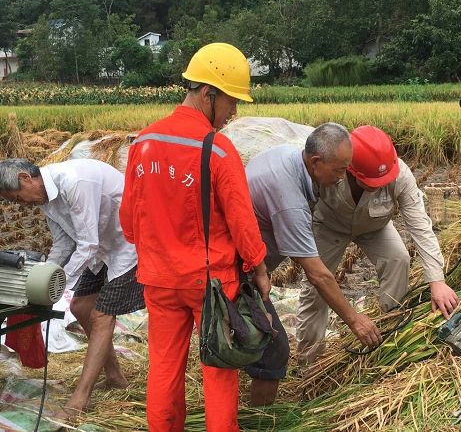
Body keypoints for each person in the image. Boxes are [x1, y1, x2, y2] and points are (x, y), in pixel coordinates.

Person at [119, 42, 270, 432]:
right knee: (219, 368)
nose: (234, 112)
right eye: (232, 101)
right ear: (208, 94)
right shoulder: (217, 150)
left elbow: (129, 221)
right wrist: (259, 267)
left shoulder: (144, 142)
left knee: (164, 366)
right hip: (212, 284)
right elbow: (242, 222)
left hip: (158, 278)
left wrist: (159, 250)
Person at [296, 126, 460, 364]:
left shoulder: (401, 175)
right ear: (349, 167)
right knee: (315, 289)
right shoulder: (330, 168)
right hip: (329, 226)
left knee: (399, 259)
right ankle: (309, 362)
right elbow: (302, 205)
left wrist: (437, 281)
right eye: (370, 181)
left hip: (375, 226)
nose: (378, 185)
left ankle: (388, 331)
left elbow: (420, 226)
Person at [0, 157, 144, 416]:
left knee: (101, 315)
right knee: (80, 306)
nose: (21, 204)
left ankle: (79, 399)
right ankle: (114, 376)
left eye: (18, 197)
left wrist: (57, 284)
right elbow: (64, 243)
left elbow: (87, 244)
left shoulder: (75, 181)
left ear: (25, 178)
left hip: (128, 242)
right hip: (101, 247)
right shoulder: (44, 198)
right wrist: (44, 277)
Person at [245, 122, 383, 391]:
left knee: (250, 341)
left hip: (248, 267)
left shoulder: (289, 155)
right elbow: (317, 274)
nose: (343, 177)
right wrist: (355, 320)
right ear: (316, 161)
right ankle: (261, 422)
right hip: (233, 272)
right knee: (274, 351)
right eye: (340, 169)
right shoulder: (290, 202)